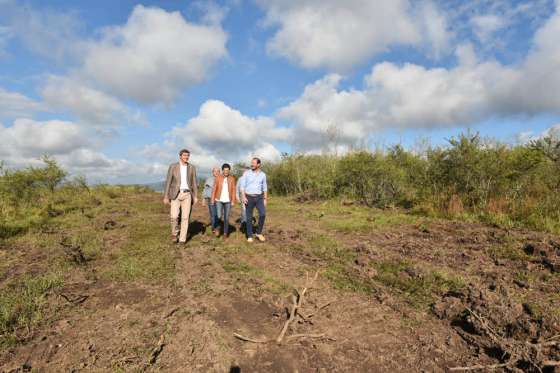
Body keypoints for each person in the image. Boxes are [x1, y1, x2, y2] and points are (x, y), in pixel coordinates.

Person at [163, 149, 198, 244]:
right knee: (174, 216)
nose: (186, 157)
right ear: (180, 156)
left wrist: (195, 196)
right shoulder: (173, 166)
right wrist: (166, 196)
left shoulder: (192, 167)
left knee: (185, 218)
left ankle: (182, 239)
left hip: (187, 194)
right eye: (185, 155)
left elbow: (194, 182)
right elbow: (168, 182)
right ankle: (174, 233)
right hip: (175, 194)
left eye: (188, 156)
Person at [240, 158, 268, 243]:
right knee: (249, 217)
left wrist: (265, 199)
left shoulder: (263, 175)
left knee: (263, 214)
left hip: (259, 197)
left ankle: (258, 233)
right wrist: (243, 197)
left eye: (253, 163)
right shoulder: (246, 173)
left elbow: (265, 188)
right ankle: (249, 235)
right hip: (249, 197)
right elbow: (242, 186)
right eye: (251, 163)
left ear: (258, 165)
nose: (251, 164)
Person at [211, 163, 236, 239]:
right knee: (219, 215)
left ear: (229, 170)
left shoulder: (232, 178)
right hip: (218, 200)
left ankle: (225, 233)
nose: (226, 172)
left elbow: (233, 190)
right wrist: (212, 199)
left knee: (226, 217)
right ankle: (218, 228)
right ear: (222, 170)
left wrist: (233, 200)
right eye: (225, 170)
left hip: (228, 201)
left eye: (227, 170)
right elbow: (214, 189)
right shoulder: (218, 178)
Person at [202, 167, 220, 234]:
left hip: (219, 200)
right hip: (210, 199)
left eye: (218, 171)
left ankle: (217, 226)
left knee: (218, 214)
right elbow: (205, 189)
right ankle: (214, 228)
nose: (216, 172)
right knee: (213, 214)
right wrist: (204, 199)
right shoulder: (209, 179)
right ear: (213, 172)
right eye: (215, 171)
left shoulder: (222, 179)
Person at [236, 167, 248, 233]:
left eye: (246, 171)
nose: (245, 172)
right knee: (244, 211)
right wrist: (237, 198)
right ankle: (244, 225)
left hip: (250, 197)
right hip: (242, 197)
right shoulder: (240, 179)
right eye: (244, 171)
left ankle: (248, 224)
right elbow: (237, 189)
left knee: (249, 211)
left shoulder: (251, 178)